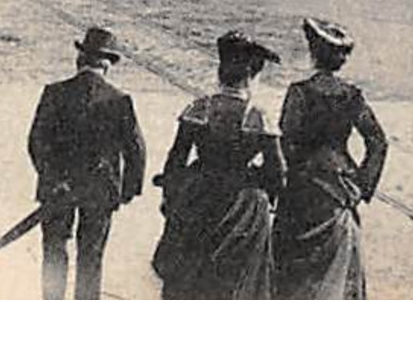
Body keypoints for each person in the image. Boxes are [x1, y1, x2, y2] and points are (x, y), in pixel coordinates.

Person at [151, 32, 283, 299]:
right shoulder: (257, 115)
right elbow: (277, 173)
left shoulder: (200, 107)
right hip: (242, 204)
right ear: (251, 75)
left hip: (197, 196)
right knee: (237, 283)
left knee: (189, 277)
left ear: (220, 71)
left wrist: (172, 197)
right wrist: (261, 187)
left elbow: (175, 159)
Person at [273, 18, 388, 300]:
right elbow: (378, 142)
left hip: (303, 188)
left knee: (291, 269)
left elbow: (286, 141)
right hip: (340, 188)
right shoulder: (352, 96)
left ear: (313, 52)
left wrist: (279, 183)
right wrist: (362, 186)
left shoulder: (299, 93)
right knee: (341, 270)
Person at [27, 27, 146, 300]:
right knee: (91, 254)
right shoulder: (120, 100)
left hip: (58, 188)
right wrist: (128, 190)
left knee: (54, 250)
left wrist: (53, 178)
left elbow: (36, 141)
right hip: (100, 189)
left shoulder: (54, 93)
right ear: (107, 64)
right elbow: (136, 150)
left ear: (80, 59)